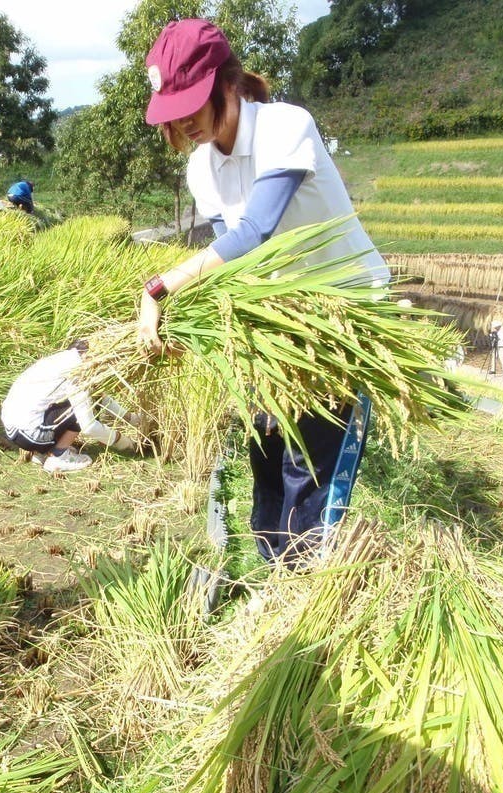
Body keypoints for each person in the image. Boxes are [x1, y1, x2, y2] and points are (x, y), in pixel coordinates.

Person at [137, 18, 389, 566]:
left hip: (339, 315)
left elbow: (255, 235)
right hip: (276, 319)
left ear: (227, 82)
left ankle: (302, 589)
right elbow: (234, 266)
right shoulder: (202, 169)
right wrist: (194, 319)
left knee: (311, 462)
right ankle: (274, 572)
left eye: (192, 103)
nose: (184, 123)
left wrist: (160, 288)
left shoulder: (284, 127)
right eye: (174, 111)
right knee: (266, 450)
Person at [1, 339, 142, 473]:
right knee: (82, 408)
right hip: (31, 434)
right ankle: (58, 456)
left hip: (15, 428)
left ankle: (42, 451)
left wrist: (133, 419)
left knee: (87, 399)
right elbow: (88, 426)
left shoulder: (62, 360)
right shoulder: (77, 372)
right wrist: (124, 442)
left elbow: (99, 396)